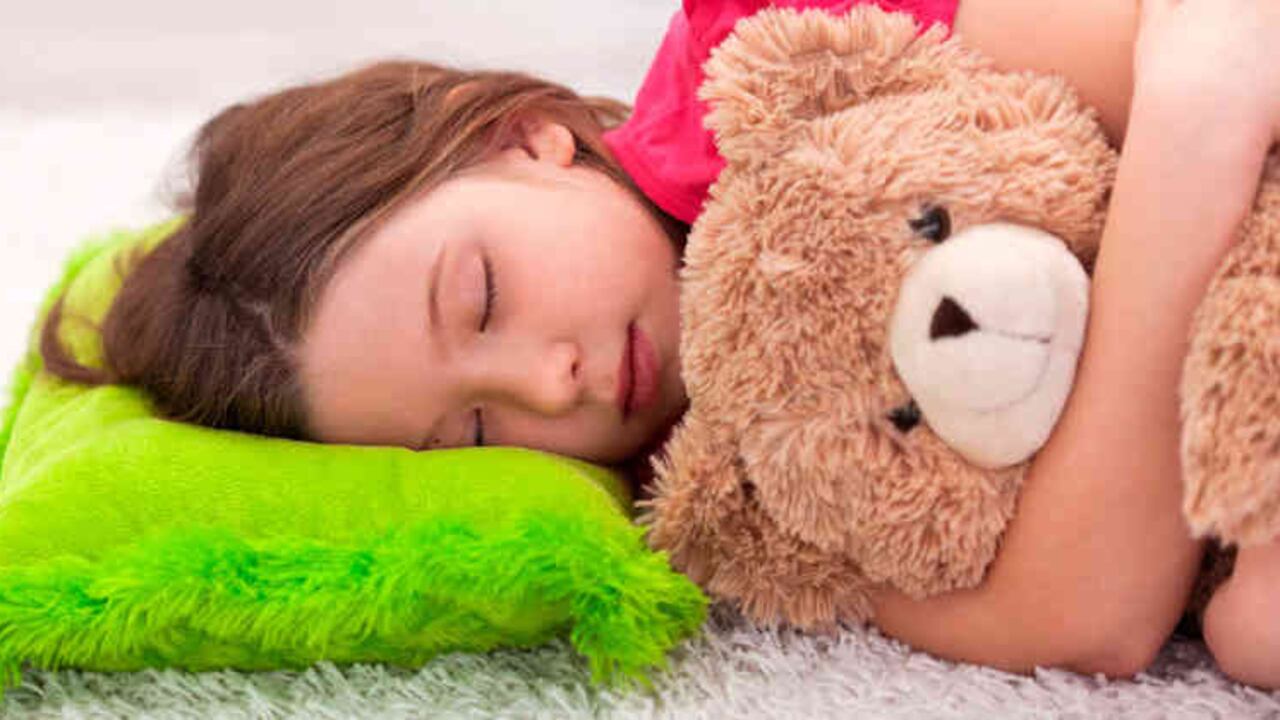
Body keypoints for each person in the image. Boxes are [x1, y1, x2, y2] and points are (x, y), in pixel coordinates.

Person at [37, 0, 1280, 688]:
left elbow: (1225, 44)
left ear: (520, 137)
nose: (551, 384)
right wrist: (1192, 128)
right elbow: (1081, 618)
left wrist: (1198, 109)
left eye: (482, 296)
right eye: (475, 429)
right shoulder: (728, 502)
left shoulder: (778, 48)